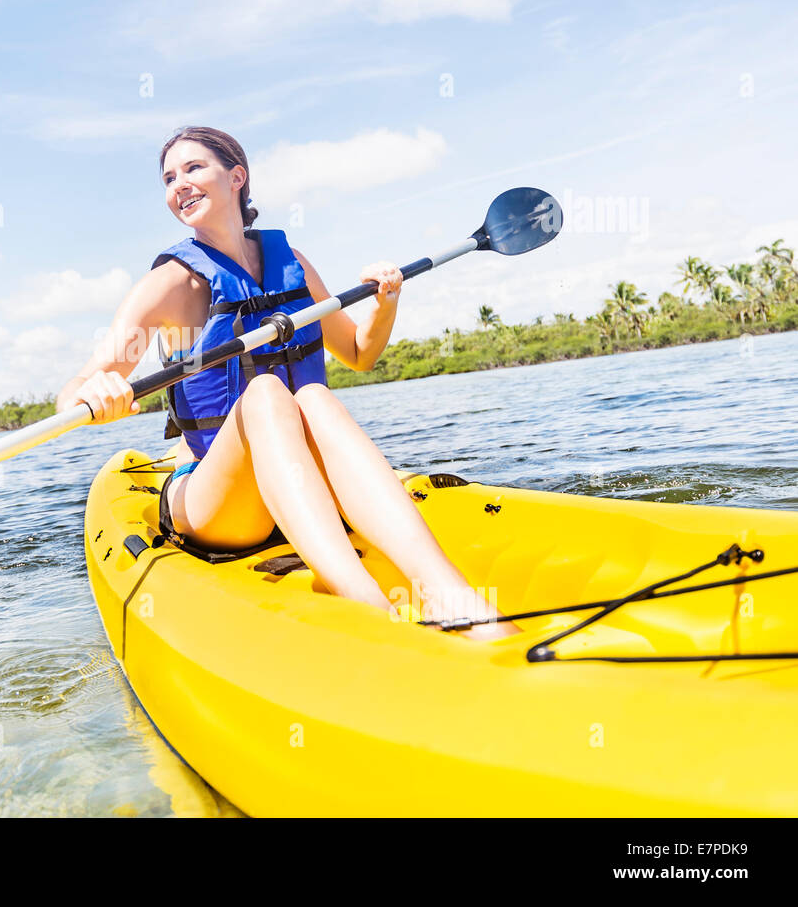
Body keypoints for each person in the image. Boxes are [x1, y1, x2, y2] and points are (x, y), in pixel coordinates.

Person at [55, 126, 516, 639]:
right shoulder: (172, 284)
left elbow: (359, 353)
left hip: (301, 485)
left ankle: (451, 596)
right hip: (220, 503)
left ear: (237, 177)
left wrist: (387, 303)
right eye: (168, 177)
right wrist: (95, 392)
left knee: (313, 395)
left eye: (193, 169)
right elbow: (78, 386)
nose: (178, 184)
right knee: (269, 393)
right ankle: (364, 604)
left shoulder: (289, 264)